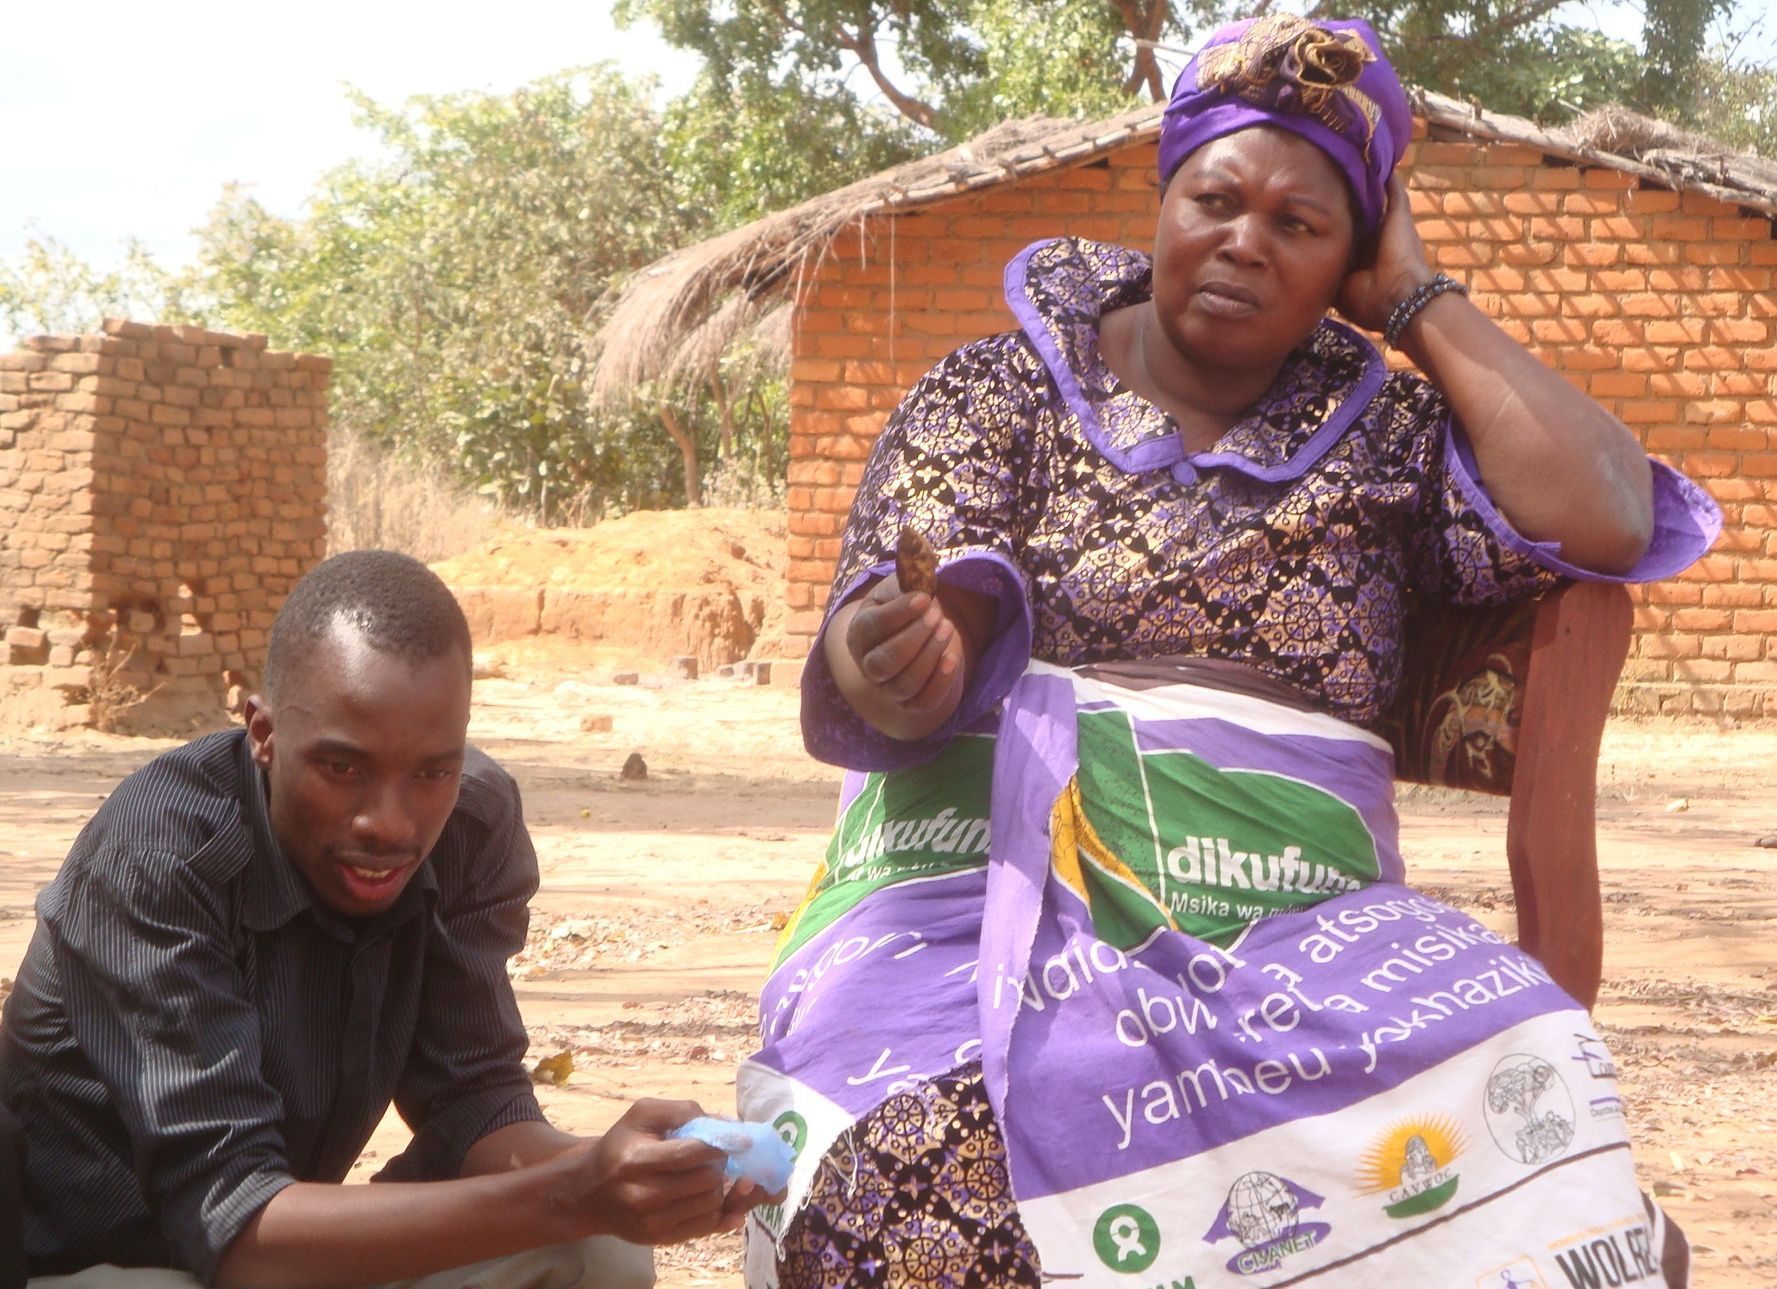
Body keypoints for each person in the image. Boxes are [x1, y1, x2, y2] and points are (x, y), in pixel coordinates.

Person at [736, 14, 1721, 1289]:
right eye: (1215, 197)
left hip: (1303, 941)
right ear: (1164, 193)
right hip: (975, 912)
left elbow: (1608, 512)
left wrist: (1417, 302)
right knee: (926, 1147)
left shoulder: (1386, 437)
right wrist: (900, 653)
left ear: (1348, 259)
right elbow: (907, 636)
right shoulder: (1000, 389)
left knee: (1516, 1084)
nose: (1244, 241)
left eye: (1301, 226)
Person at [0, 550, 770, 1287]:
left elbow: (474, 1104)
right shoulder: (160, 856)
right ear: (263, 733)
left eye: (433, 770)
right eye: (342, 767)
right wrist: (571, 1189)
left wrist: (640, 1172)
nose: (389, 823)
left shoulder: (471, 822)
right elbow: (237, 1227)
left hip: (287, 1253)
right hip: (97, 1265)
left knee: (596, 1253)